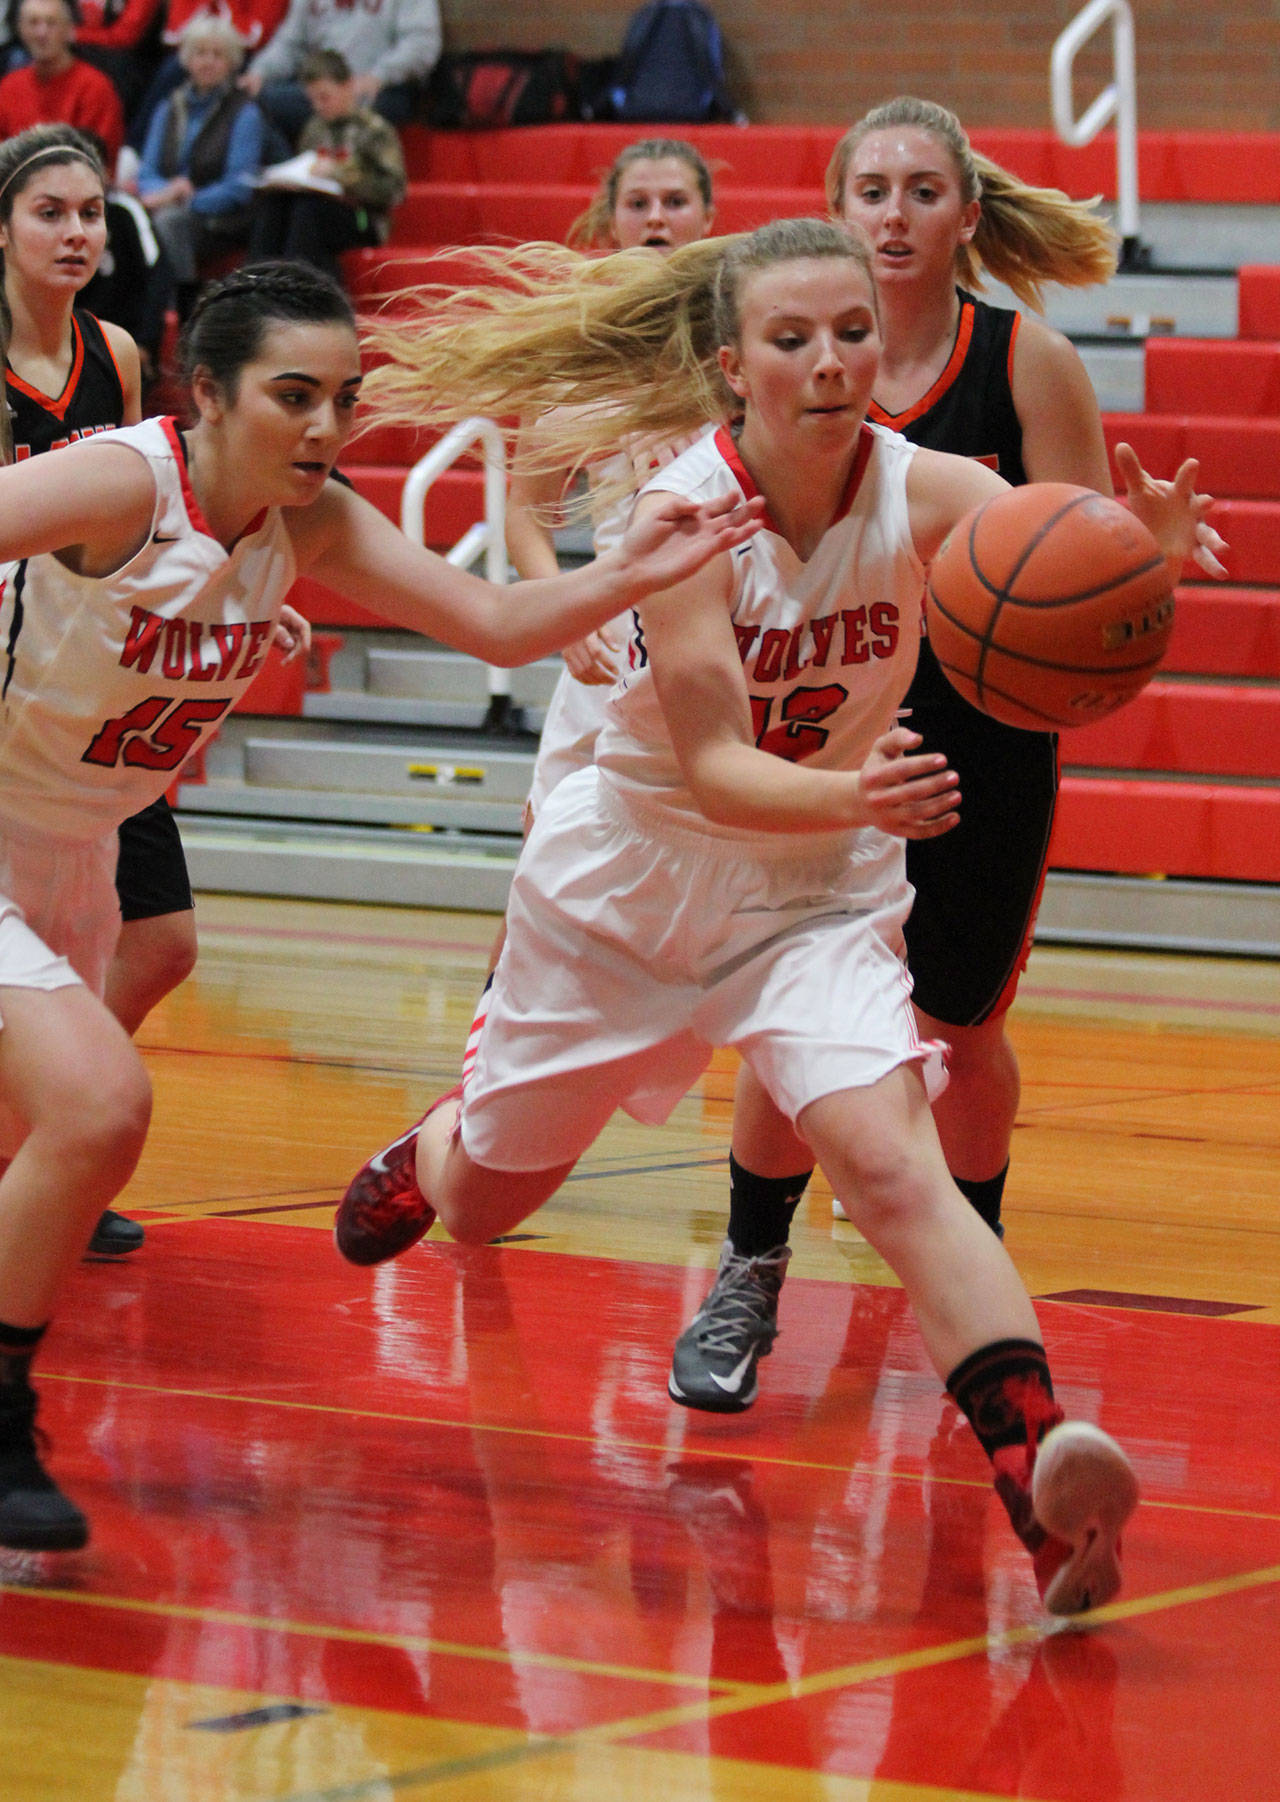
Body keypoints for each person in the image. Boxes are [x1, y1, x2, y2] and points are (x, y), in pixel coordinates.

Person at [336, 219, 1219, 1615]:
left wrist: (1139, 569)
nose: (829, 363)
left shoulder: (935, 488)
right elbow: (710, 767)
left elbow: (1065, 564)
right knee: (489, 1202)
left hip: (811, 895)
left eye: (852, 333)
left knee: (894, 1166)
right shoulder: (687, 514)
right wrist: (861, 790)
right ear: (732, 366)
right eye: (792, 339)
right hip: (629, 888)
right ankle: (436, 1142)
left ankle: (1041, 1475)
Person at [0, 257, 760, 1551]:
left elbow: (499, 623)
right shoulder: (125, 483)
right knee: (100, 1104)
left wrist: (633, 567)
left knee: (34, 1146)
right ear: (208, 395)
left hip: (75, 852)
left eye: (343, 399)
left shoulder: (310, 525)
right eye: (292, 395)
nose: (324, 426)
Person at [665, 95, 1228, 1415]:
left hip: (983, 738)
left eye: (923, 190)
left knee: (963, 1034)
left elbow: (1079, 562)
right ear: (835, 210)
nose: (896, 214)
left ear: (968, 213)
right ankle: (749, 1267)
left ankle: (970, 1260)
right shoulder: (791, 358)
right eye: (872, 191)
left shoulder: (1026, 360)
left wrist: (1140, 559)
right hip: (825, 721)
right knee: (793, 1014)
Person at [506, 138, 716, 837]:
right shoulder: (579, 352)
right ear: (612, 221)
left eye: (675, 201)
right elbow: (525, 516)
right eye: (639, 203)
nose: (656, 217)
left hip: (727, 631)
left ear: (708, 218)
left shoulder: (749, 337)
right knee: (546, 843)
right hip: (614, 628)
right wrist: (565, 614)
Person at [137, 13, 264, 316]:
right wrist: (168, 192)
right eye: (200, 53)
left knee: (169, 222)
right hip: (167, 207)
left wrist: (187, 198)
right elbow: (146, 174)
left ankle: (183, 305)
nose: (208, 62)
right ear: (187, 59)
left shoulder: (245, 113)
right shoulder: (168, 107)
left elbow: (239, 187)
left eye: (217, 55)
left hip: (219, 221)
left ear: (231, 62)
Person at [247, 48, 406, 282]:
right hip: (317, 206)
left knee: (308, 212)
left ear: (348, 86)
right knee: (276, 206)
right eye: (312, 100)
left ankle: (298, 286)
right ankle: (255, 284)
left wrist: (340, 174)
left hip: (362, 217)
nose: (318, 106)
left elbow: (394, 190)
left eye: (325, 97)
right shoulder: (314, 128)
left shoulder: (375, 130)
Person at [239, 0, 439, 143]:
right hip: (319, 88)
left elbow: (421, 43)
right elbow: (290, 44)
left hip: (382, 87)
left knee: (359, 109)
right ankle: (291, 175)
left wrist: (379, 76)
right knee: (257, 102)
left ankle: (349, 178)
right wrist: (260, 73)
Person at [0, 0, 124, 166]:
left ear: (69, 28)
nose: (41, 33)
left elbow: (99, 160)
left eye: (51, 23)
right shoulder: (9, 86)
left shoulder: (95, 87)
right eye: (33, 23)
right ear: (20, 29)